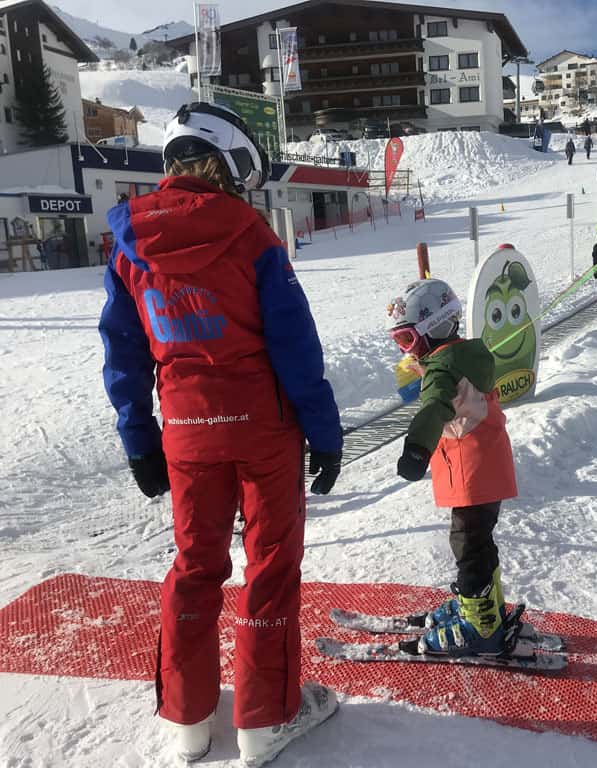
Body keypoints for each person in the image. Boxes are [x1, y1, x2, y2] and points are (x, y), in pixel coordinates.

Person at [98, 102, 341, 766]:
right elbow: (295, 344)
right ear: (230, 163)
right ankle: (264, 722)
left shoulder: (127, 243)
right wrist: (323, 430)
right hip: (264, 429)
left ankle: (188, 719)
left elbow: (123, 349)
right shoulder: (251, 232)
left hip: (185, 430)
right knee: (270, 568)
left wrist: (138, 437)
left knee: (195, 565)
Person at [386, 279, 519, 656]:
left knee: (469, 546)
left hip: (473, 470)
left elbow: (434, 407)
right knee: (478, 542)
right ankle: (483, 610)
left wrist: (416, 449)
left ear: (435, 327)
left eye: (408, 340)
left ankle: (482, 629)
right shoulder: (458, 357)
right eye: (399, 341)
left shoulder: (444, 369)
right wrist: (418, 363)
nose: (403, 349)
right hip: (481, 466)